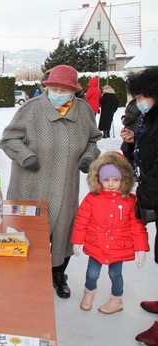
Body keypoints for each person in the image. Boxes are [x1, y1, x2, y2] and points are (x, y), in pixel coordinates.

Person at [0, 64, 102, 299]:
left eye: (63, 89)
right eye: (53, 87)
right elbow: (8, 138)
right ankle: (25, 276)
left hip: (65, 183)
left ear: (73, 91)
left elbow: (93, 141)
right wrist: (25, 156)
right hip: (30, 182)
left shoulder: (84, 112)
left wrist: (88, 157)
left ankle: (57, 273)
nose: (57, 92)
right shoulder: (32, 109)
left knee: (63, 229)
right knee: (27, 231)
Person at [71, 151, 148, 314]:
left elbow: (137, 226)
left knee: (115, 274)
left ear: (124, 180)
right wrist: (77, 240)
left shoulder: (129, 200)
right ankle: (88, 294)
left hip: (118, 246)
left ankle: (116, 300)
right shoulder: (93, 198)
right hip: (96, 244)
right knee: (92, 273)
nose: (111, 184)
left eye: (115, 180)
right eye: (106, 180)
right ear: (99, 180)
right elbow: (82, 219)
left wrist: (141, 248)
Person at [119, 67, 158, 345]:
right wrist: (131, 144)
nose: (140, 101)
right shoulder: (150, 118)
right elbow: (146, 154)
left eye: (143, 96)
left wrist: (144, 200)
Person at [120, 98, 142, 166]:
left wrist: (124, 120)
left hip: (134, 130)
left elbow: (132, 115)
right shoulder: (136, 101)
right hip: (132, 133)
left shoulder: (140, 101)